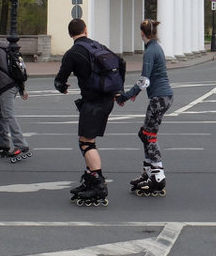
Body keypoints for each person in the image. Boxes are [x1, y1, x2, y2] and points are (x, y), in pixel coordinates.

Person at [55, 18, 125, 206]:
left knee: (86, 143)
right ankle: (90, 178)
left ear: (70, 34)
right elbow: (121, 62)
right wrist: (119, 90)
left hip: (93, 102)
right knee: (86, 141)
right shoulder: (98, 46)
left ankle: (98, 184)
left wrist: (62, 87)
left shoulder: (72, 53)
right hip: (107, 99)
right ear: (85, 30)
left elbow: (60, 80)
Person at [115, 19, 174, 196]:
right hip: (163, 96)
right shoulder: (157, 47)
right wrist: (134, 93)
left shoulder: (150, 51)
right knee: (145, 134)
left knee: (149, 135)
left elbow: (144, 81)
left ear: (142, 33)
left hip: (160, 97)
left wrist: (126, 95)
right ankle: (148, 173)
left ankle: (157, 176)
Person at [0, 29, 31, 161]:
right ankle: (4, 142)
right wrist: (22, 88)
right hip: (14, 84)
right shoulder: (7, 48)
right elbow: (19, 67)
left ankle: (21, 144)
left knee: (8, 115)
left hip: (5, 87)